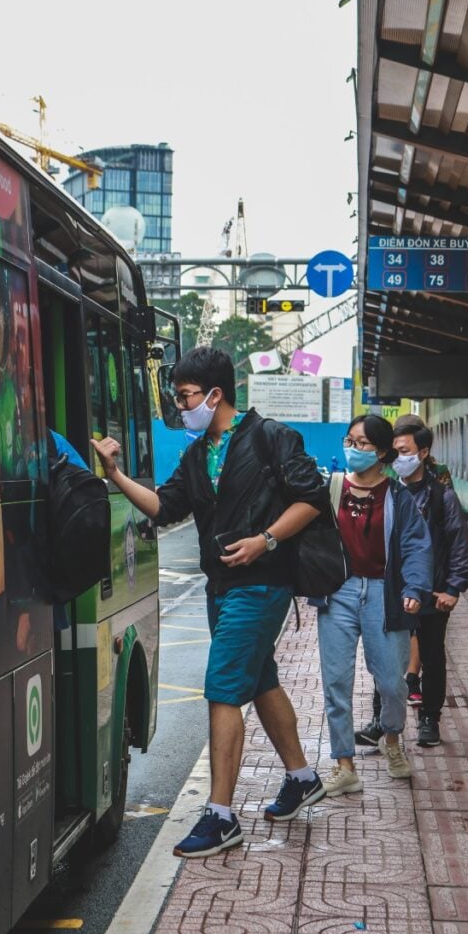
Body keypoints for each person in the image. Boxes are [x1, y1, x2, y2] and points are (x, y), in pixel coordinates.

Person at [91, 346, 327, 858]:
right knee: (260, 680)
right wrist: (115, 474)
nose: (180, 408)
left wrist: (265, 539)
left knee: (223, 689)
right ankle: (302, 777)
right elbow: (164, 507)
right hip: (220, 588)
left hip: (262, 585)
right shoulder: (198, 456)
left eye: (185, 397)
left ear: (215, 394)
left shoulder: (272, 438)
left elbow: (312, 498)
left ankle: (221, 816)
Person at [315, 415, 433, 796]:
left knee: (391, 683)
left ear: (382, 451)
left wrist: (415, 587)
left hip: (386, 593)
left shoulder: (399, 497)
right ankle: (344, 764)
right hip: (339, 592)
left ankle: (393, 739)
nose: (353, 448)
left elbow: (417, 546)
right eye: (350, 440)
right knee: (336, 681)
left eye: (363, 444)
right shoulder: (330, 488)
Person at [389, 422, 468, 745]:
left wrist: (453, 588)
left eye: (405, 452)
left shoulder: (442, 497)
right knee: (385, 657)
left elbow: (459, 545)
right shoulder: (388, 492)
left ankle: (430, 720)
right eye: (394, 451)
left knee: (433, 657)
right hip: (393, 593)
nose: (398, 458)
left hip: (433, 593)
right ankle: (380, 719)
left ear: (423, 453)